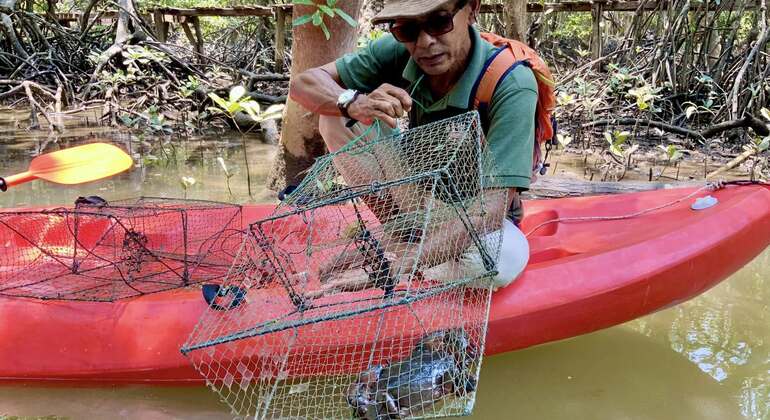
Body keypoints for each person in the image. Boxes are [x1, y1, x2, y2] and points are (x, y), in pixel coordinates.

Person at [289, 0, 534, 293]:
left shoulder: (512, 82)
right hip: (415, 194)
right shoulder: (400, 49)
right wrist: (356, 103)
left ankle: (407, 252)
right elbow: (303, 84)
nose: (425, 42)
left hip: (474, 212)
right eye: (407, 28)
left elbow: (491, 209)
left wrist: (394, 267)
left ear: (471, 9)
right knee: (335, 117)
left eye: (440, 22)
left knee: (500, 261)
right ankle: (401, 230)